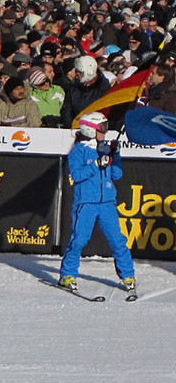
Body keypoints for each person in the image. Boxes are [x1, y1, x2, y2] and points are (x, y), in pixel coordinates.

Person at [58, 110, 137, 297]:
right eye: (102, 127)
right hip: (86, 203)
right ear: (90, 129)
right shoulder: (78, 150)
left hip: (107, 202)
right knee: (79, 240)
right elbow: (76, 175)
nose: (106, 131)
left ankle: (128, 275)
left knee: (118, 241)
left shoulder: (105, 147)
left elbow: (117, 174)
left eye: (106, 126)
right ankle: (67, 275)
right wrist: (96, 165)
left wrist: (115, 155)